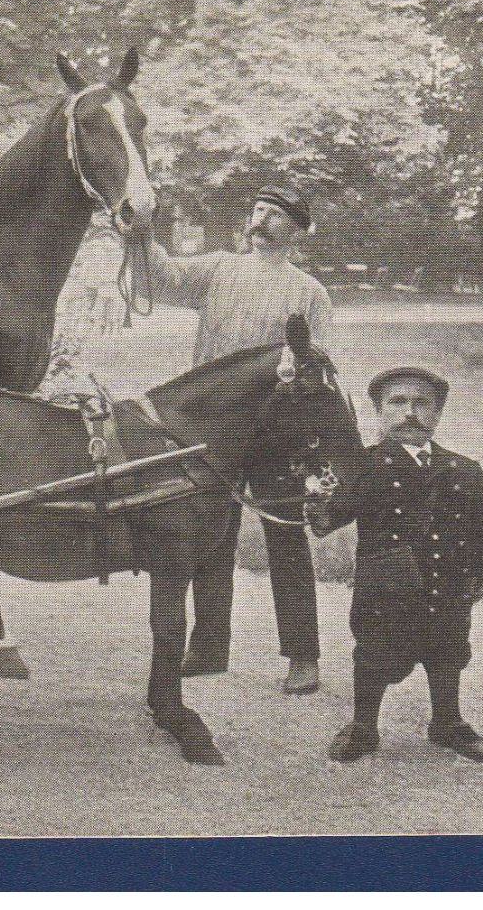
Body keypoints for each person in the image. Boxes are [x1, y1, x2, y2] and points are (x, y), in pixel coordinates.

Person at [145, 184, 333, 694]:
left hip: (275, 430)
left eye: (273, 214)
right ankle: (208, 647)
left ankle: (302, 656)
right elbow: (163, 278)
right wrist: (142, 232)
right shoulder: (218, 269)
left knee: (285, 534)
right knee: (209, 533)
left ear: (295, 230)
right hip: (211, 426)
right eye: (257, 210)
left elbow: (319, 364)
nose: (260, 219)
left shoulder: (308, 292)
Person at [307, 367, 483, 765]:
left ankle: (447, 722)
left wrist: (481, 573)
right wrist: (315, 495)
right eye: (397, 402)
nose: (410, 412)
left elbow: (482, 529)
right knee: (375, 651)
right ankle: (364, 726)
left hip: (448, 584)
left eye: (421, 403)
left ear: (438, 413)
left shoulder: (463, 468)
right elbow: (328, 520)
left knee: (448, 649)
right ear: (379, 411)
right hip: (387, 586)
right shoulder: (364, 466)